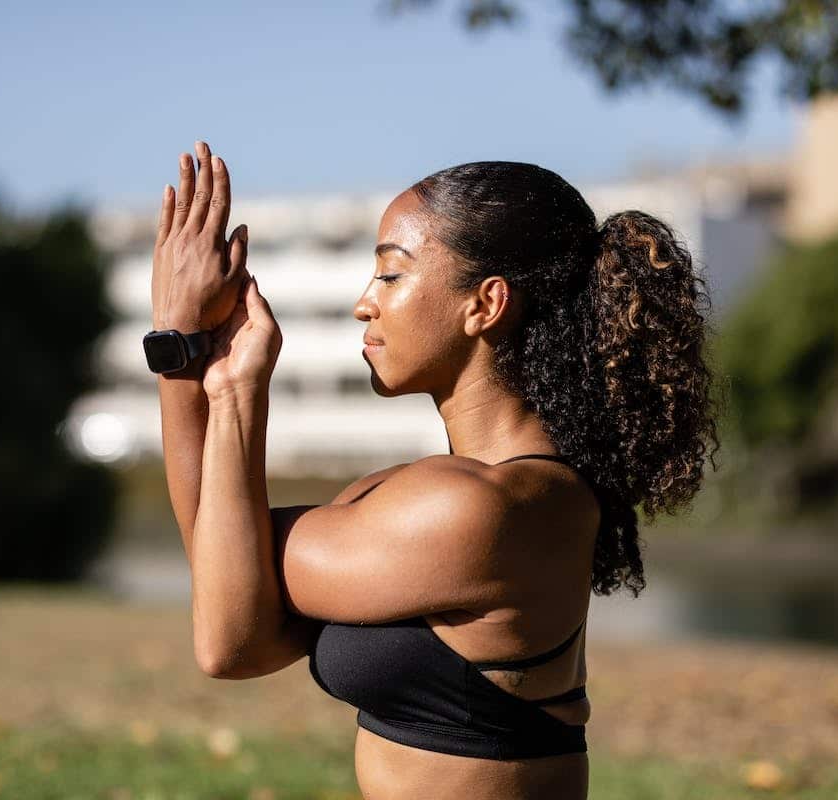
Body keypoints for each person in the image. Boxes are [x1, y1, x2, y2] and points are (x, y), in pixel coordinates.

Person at [151, 140, 720, 799]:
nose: (365, 303)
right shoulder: (444, 491)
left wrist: (205, 367)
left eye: (391, 275)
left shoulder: (476, 508)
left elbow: (224, 637)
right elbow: (236, 600)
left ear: (485, 304)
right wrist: (188, 357)